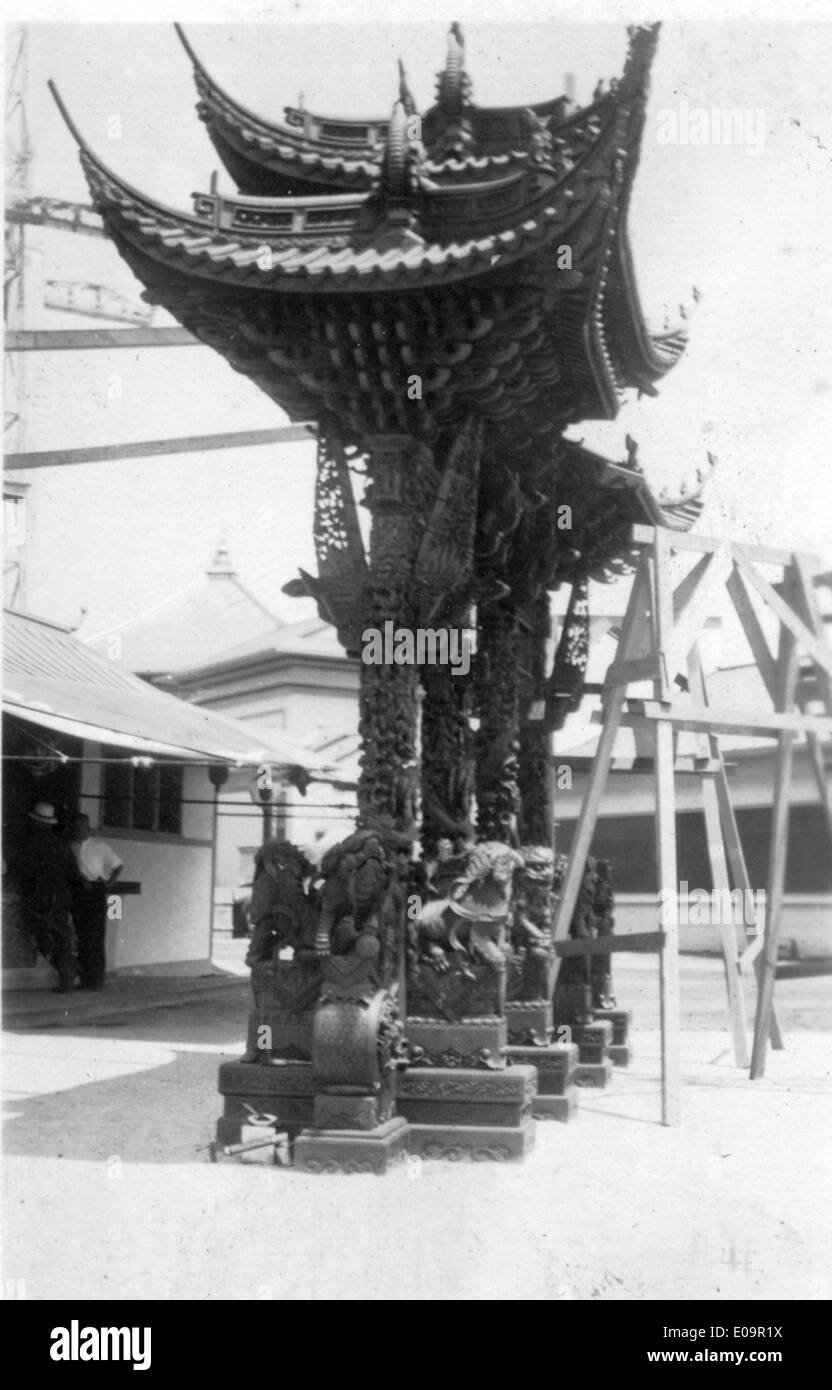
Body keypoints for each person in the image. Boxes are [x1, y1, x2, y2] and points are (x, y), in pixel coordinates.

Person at [18, 802, 76, 992]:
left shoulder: (32, 844)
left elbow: (26, 872)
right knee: (63, 938)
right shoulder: (63, 845)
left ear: (38, 823)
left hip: (40, 896)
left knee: (38, 934)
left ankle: (56, 972)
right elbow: (72, 873)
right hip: (60, 896)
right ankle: (67, 978)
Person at [68, 812, 123, 991]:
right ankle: (85, 980)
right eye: (76, 826)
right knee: (81, 937)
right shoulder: (69, 847)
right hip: (77, 892)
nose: (79, 829)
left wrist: (109, 883)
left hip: (96, 891)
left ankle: (96, 980)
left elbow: (118, 865)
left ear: (88, 827)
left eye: (83, 826)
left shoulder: (100, 847)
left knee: (96, 937)